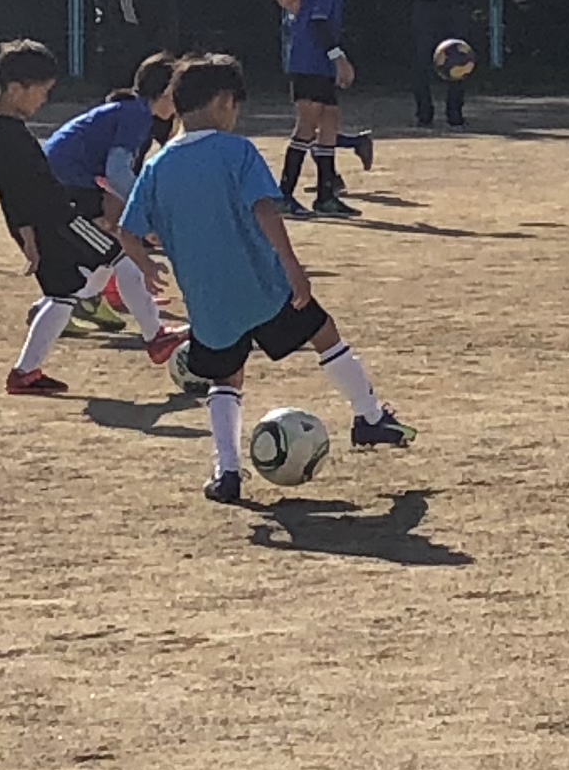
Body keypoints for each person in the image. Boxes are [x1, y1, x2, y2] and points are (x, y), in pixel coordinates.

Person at [113, 52, 413, 504]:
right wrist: (293, 265)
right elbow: (264, 209)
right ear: (222, 102)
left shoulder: (158, 165)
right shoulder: (236, 151)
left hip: (208, 300)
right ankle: (369, 416)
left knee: (225, 378)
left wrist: (147, 265)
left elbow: (128, 231)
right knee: (323, 333)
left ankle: (227, 472)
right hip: (262, 285)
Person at [0, 40, 176, 395]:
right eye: (41, 92)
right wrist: (27, 234)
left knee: (65, 294)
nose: (43, 100)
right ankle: (156, 337)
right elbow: (13, 190)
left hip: (53, 219)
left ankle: (25, 373)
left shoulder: (1, 128)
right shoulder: (6, 136)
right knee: (120, 256)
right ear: (15, 89)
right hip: (59, 221)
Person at [43, 55, 181, 349]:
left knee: (107, 248)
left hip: (67, 178)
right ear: (166, 92)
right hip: (65, 180)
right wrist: (145, 211)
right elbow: (117, 171)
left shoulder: (134, 112)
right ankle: (154, 333)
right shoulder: (137, 116)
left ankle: (68, 304)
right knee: (117, 250)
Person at [276, 0, 379, 216]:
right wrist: (339, 58)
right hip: (310, 59)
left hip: (317, 60)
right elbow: (318, 20)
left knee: (330, 121)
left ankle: (325, 196)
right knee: (307, 125)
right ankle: (283, 195)